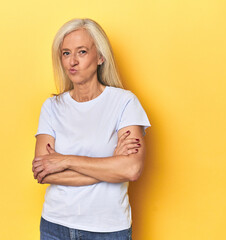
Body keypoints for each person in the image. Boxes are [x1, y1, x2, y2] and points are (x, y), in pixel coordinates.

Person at [32, 18, 151, 240]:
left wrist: (65, 160)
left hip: (107, 229)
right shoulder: (52, 107)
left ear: (100, 57)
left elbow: (131, 169)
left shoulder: (124, 103)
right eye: (66, 53)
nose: (72, 62)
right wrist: (110, 166)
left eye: (82, 52)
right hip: (55, 226)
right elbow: (44, 171)